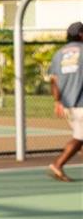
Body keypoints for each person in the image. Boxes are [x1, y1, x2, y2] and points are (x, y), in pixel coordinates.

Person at [45, 20, 83, 181]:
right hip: (81, 103)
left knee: (80, 137)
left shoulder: (58, 54)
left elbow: (54, 80)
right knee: (79, 138)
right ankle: (58, 164)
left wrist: (57, 101)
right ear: (81, 35)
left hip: (68, 105)